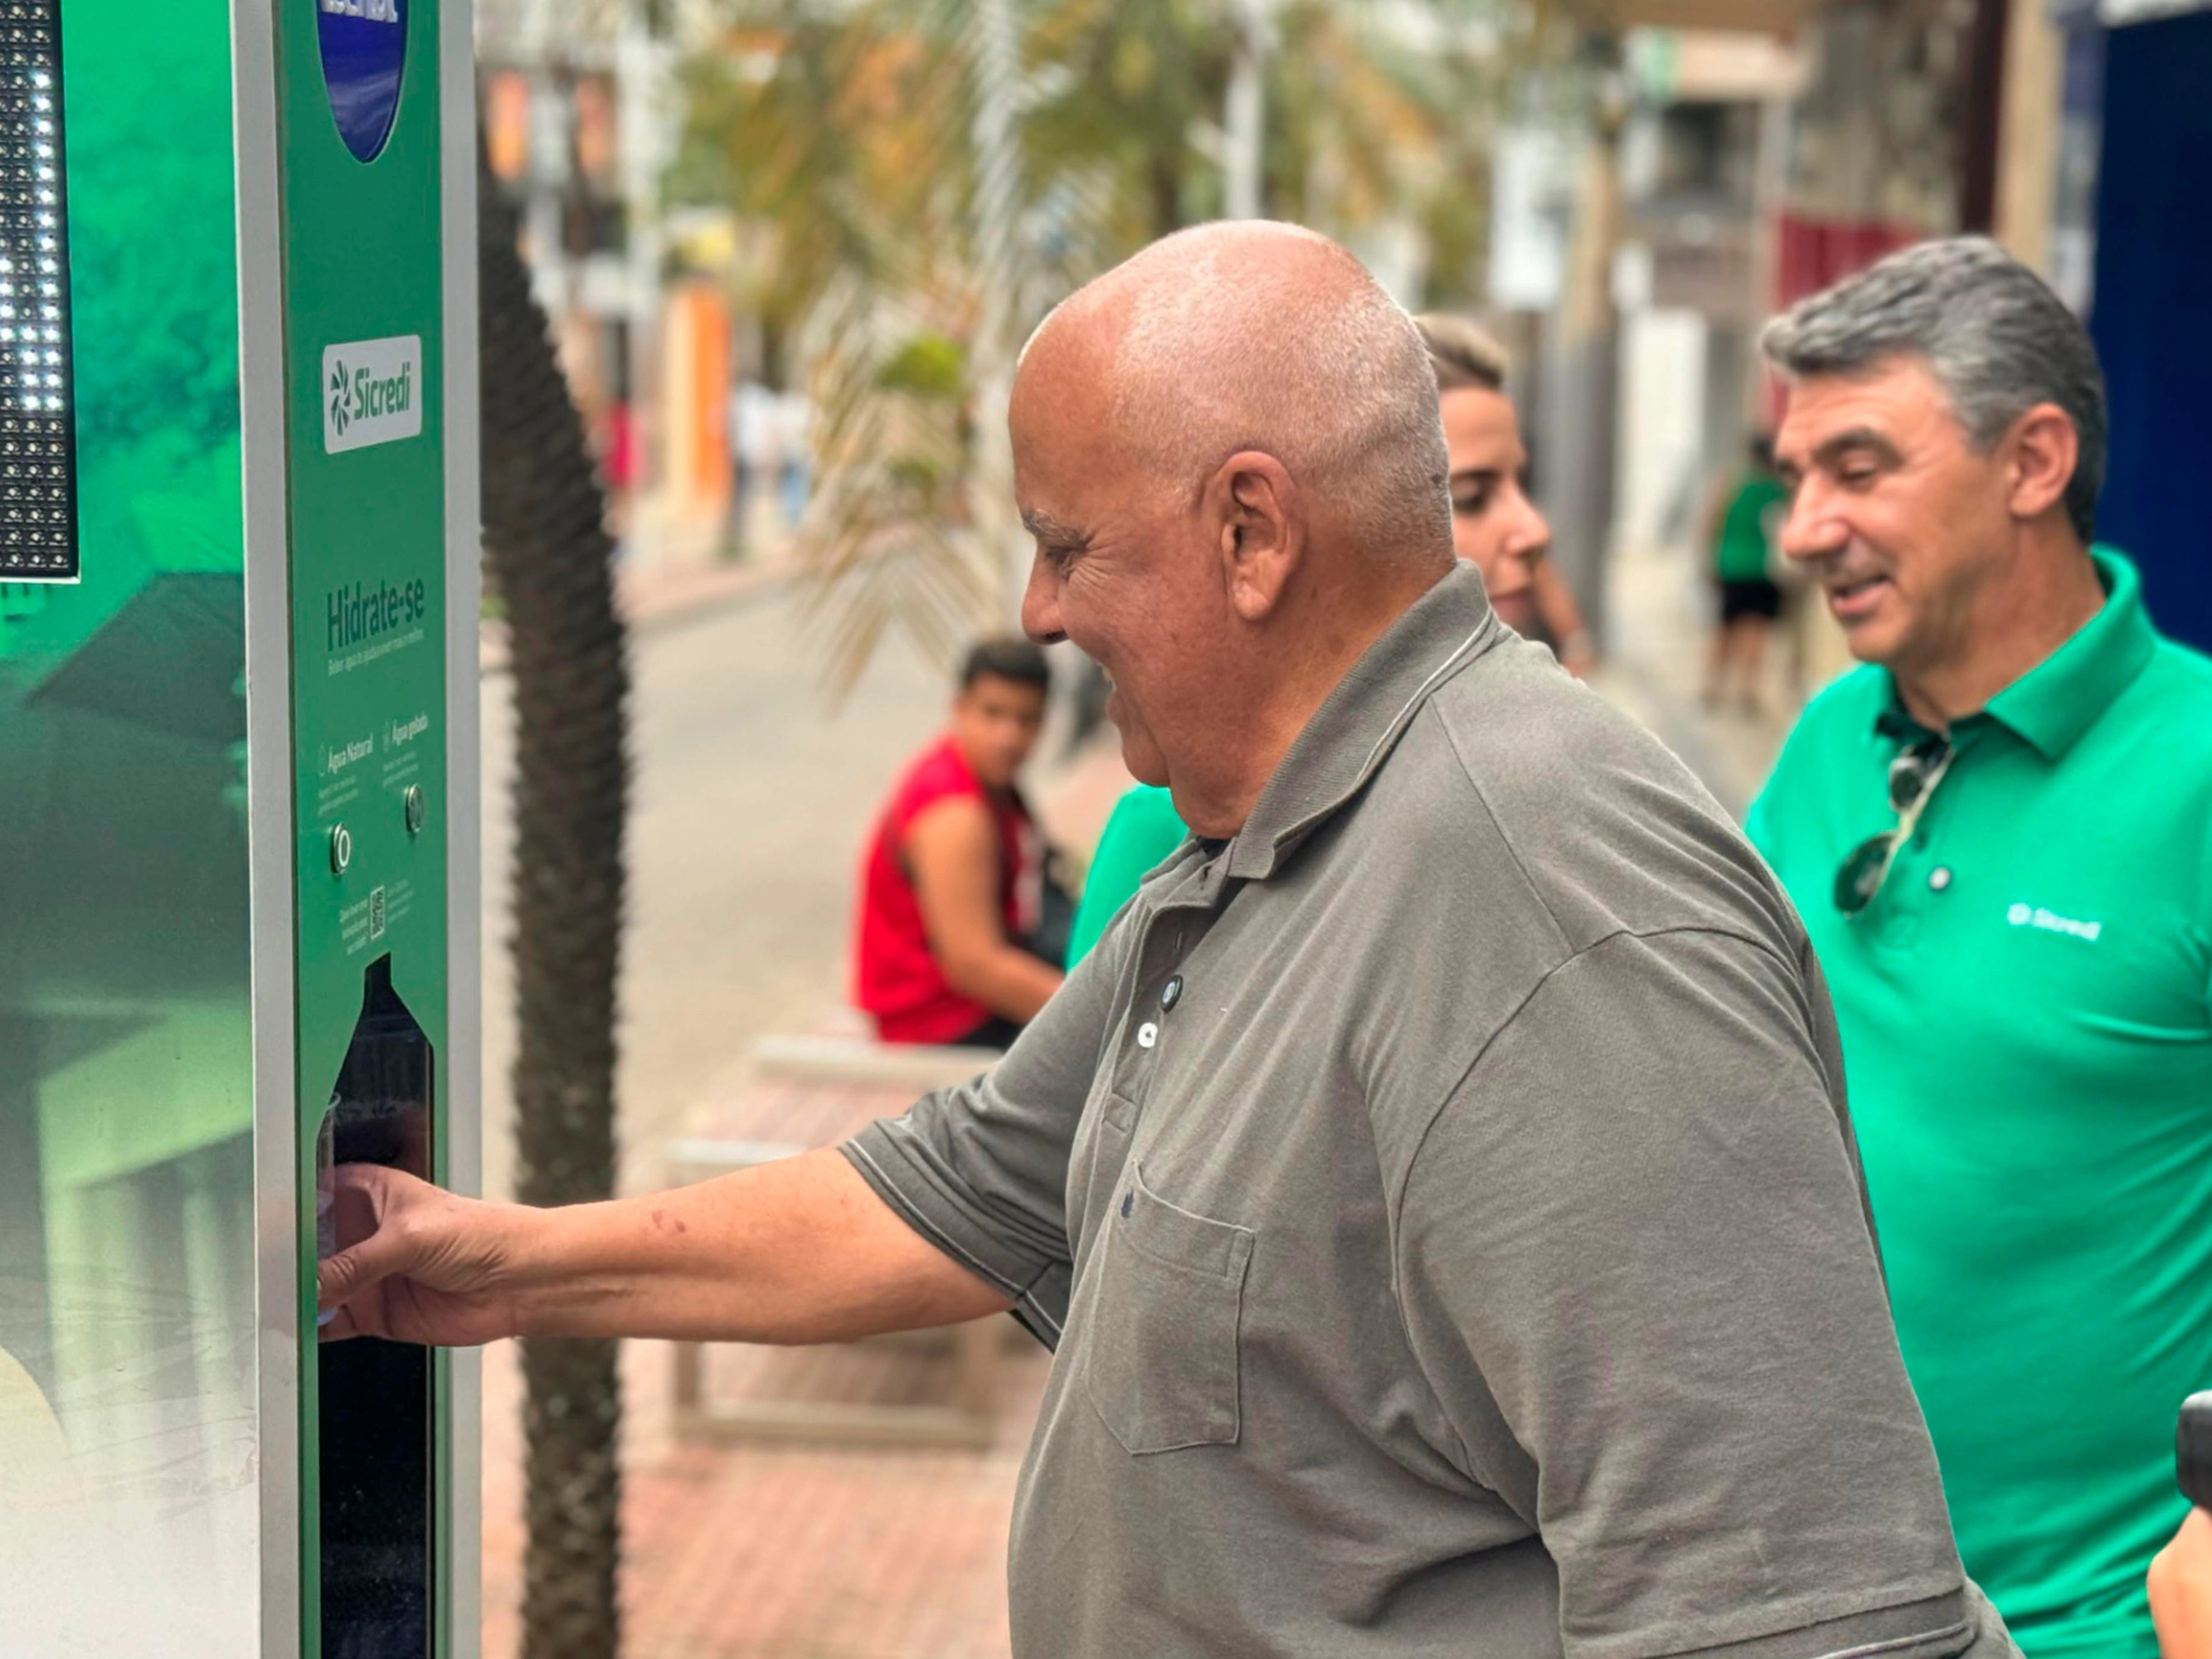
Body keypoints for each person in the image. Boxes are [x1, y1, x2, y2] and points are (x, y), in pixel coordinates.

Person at [320, 222, 2016, 1659]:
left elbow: (1795, 1610)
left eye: (1069, 546)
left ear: (1253, 532)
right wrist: (509, 1263)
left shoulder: (1547, 899)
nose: (1042, 612)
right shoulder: (1260, 843)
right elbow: (958, 1188)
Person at [1746, 236, 2212, 1658]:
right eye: (1793, 480)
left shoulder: (2197, 769)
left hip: (2085, 1625)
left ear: (2032, 463)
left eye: (1859, 468)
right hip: (1782, 1600)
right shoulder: (1828, 738)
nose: (1801, 529)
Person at [1063, 311, 1587, 967]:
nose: (1532, 529)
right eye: (1473, 497)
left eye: (1521, 487)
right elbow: (1093, 1068)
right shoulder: (1170, 823)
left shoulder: (1548, 764)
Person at [853, 638, 1062, 1048]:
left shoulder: (988, 784)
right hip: (942, 1025)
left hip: (969, 1005)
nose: (1008, 736)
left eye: (1027, 720)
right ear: (959, 707)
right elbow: (975, 966)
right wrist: (1105, 1022)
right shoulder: (954, 811)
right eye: (993, 713)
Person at [1702, 433, 1789, 712]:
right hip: (1764, 568)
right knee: (1757, 631)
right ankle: (1747, 691)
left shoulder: (1730, 484)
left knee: (1724, 628)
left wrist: (1709, 558)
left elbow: (1711, 521)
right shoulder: (1778, 489)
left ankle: (1713, 687)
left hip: (1730, 564)